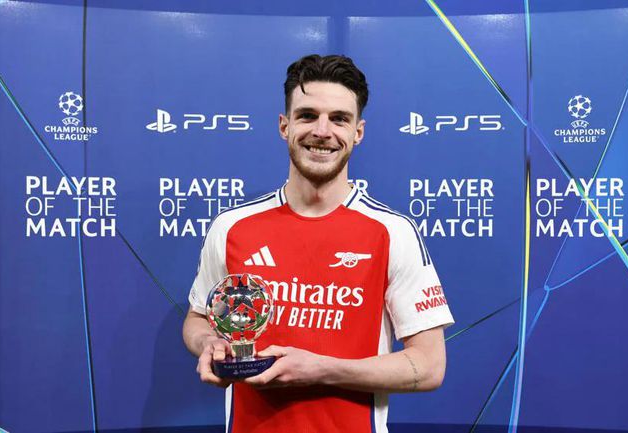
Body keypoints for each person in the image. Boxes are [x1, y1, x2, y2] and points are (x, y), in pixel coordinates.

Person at [182, 54, 454, 433]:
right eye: (308, 115)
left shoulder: (392, 231)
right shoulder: (231, 227)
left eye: (339, 119)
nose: (322, 131)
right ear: (284, 126)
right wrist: (209, 344)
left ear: (358, 132)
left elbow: (428, 366)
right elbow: (198, 318)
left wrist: (321, 369)